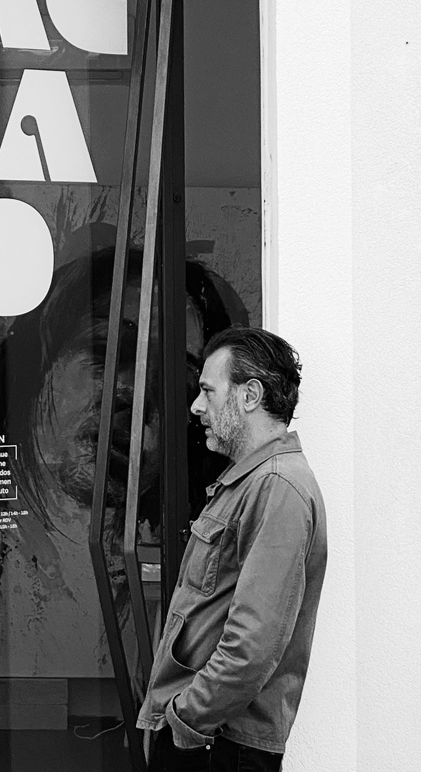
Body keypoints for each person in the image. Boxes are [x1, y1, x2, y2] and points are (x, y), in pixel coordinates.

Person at [138, 327, 327, 771]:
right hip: (211, 740)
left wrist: (185, 718)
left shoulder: (277, 487)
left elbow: (252, 646)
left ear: (249, 395)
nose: (196, 406)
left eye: (207, 390)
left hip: (218, 745)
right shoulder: (253, 483)